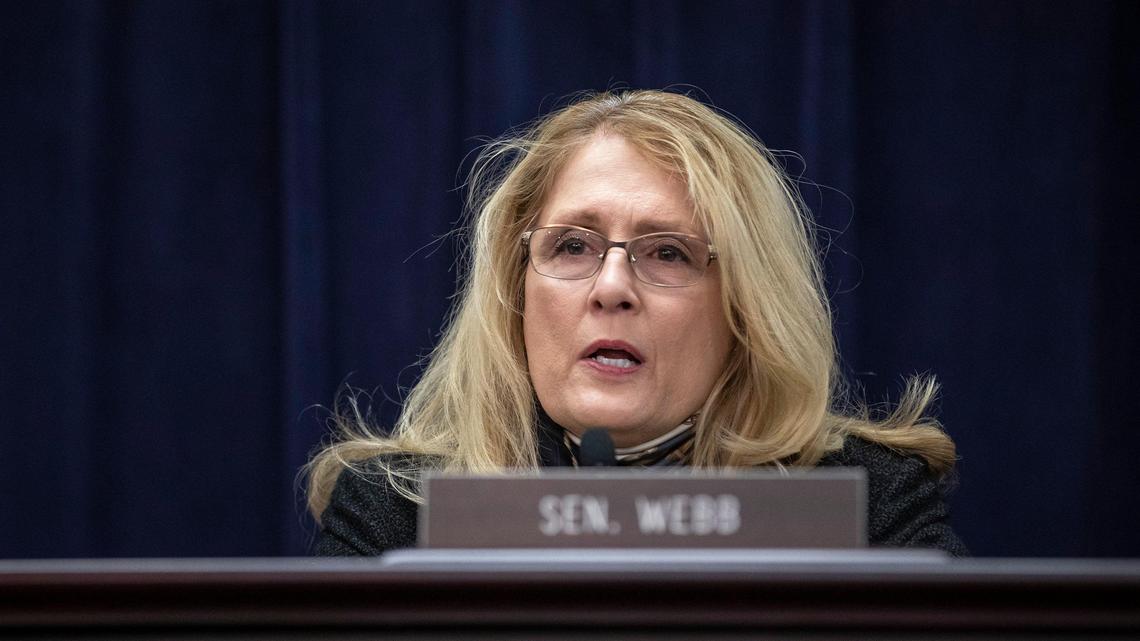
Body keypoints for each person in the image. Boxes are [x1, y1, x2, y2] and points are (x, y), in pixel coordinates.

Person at [306, 89, 967, 556]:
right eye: (572, 246)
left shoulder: (868, 508)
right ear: (516, 289)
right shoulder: (396, 516)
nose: (612, 288)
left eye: (668, 253)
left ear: (747, 306)